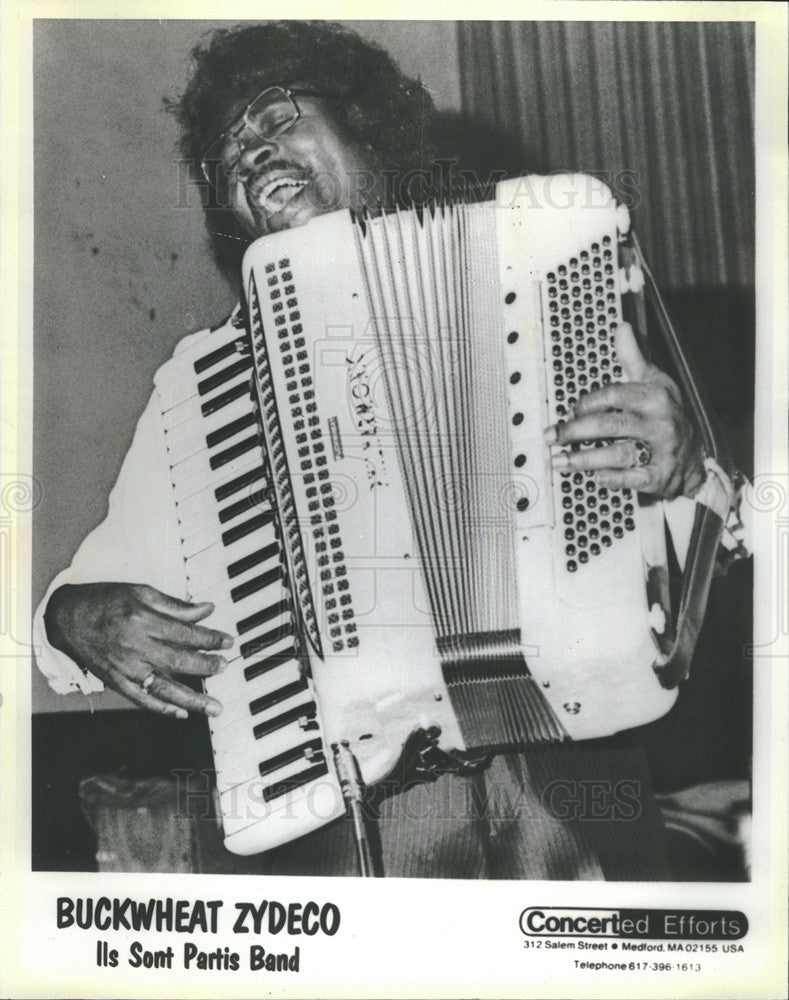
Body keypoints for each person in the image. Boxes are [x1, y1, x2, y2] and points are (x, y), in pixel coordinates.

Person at [34, 21, 750, 879]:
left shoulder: (549, 272)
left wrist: (687, 470)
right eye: (225, 157)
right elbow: (74, 602)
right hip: (357, 827)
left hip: (580, 795)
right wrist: (71, 619)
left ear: (367, 129)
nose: (249, 156)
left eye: (272, 119)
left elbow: (727, 549)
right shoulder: (207, 398)